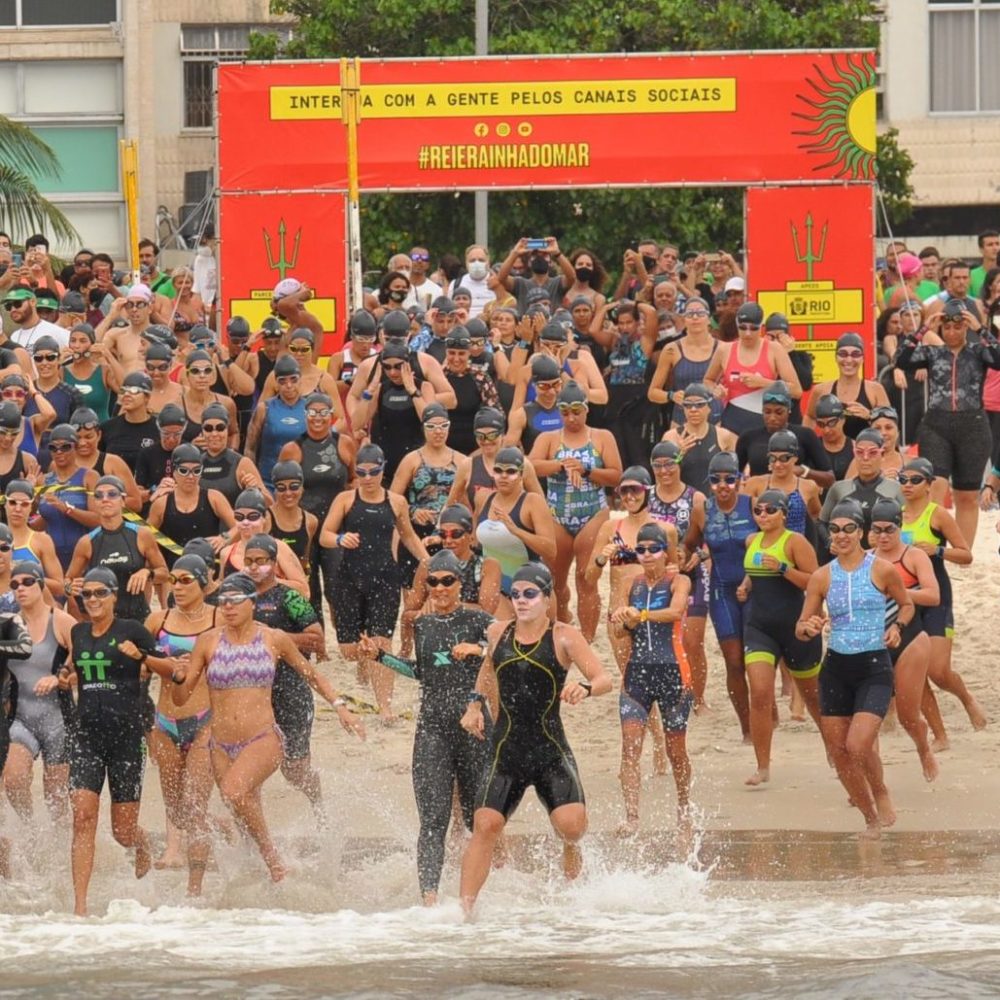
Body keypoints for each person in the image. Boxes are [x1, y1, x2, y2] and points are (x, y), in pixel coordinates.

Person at [171, 573, 364, 883]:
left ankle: (274, 861)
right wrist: (178, 678)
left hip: (262, 738)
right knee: (243, 810)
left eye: (236, 601)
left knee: (235, 793)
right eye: (224, 601)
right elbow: (181, 700)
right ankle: (257, 887)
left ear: (252, 602)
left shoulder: (273, 638)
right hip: (220, 745)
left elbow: (311, 675)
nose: (229, 607)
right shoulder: (208, 641)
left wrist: (341, 707)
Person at [458, 563, 612, 915]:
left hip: (549, 751)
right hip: (506, 749)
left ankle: (570, 855)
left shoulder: (564, 636)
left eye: (530, 594)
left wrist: (585, 688)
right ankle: (463, 913)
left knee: (572, 829)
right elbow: (487, 670)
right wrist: (474, 705)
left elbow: (604, 679)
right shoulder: (498, 631)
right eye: (516, 594)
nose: (522, 601)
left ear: (546, 598)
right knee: (486, 824)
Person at [360, 550, 494, 904]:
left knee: (477, 819)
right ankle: (430, 902)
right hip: (433, 727)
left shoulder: (478, 618)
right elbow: (421, 672)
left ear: (460, 584)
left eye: (447, 581)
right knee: (433, 820)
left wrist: (479, 649)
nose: (439, 587)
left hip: (474, 728)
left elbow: (507, 649)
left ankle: (481, 895)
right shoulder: (422, 624)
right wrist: (381, 658)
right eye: (432, 582)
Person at [796, 500, 914, 838]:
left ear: (862, 532)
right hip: (835, 668)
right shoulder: (822, 576)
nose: (842, 535)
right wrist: (809, 628)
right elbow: (801, 625)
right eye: (835, 529)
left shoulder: (881, 569)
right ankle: (869, 818)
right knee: (839, 752)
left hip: (874, 665)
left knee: (859, 744)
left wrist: (898, 628)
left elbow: (905, 605)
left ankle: (881, 792)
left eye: (849, 528)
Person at [58, 566, 168, 915]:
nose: (91, 600)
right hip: (87, 737)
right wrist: (65, 677)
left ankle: (142, 844)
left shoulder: (133, 630)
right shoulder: (77, 633)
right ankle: (80, 907)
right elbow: (77, 669)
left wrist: (142, 657)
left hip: (126, 738)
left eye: (99, 593)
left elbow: (171, 670)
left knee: (122, 832)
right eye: (85, 595)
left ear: (114, 596)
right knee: (83, 817)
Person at [320, 443, 430, 720]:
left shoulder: (396, 502)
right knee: (349, 650)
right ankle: (363, 661)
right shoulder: (346, 499)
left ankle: (385, 706)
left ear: (383, 470)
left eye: (373, 472)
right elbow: (324, 535)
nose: (367, 478)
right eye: (361, 472)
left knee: (381, 644)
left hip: (384, 578)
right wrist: (340, 539)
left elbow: (407, 536)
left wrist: (428, 561)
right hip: (350, 579)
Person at [141, 554, 220, 891]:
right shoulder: (157, 620)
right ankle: (223, 828)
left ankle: (195, 889)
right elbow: (139, 668)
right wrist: (165, 664)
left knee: (195, 804)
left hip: (206, 720)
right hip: (165, 721)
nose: (178, 586)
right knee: (176, 810)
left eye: (187, 580)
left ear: (204, 583)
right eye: (173, 579)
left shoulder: (220, 618)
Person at [895, 296, 1000, 545]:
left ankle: (962, 552)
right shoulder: (933, 353)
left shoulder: (978, 352)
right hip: (936, 426)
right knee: (934, 488)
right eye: (948, 327)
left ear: (965, 326)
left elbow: (998, 357)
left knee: (966, 495)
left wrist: (980, 328)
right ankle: (930, 545)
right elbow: (901, 359)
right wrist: (924, 329)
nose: (952, 332)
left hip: (972, 426)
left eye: (958, 326)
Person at [610, 522, 693, 836]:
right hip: (638, 675)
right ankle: (632, 817)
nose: (646, 555)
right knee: (630, 748)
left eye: (652, 549)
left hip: (673, 673)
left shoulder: (678, 580)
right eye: (640, 549)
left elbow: (675, 613)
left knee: (676, 752)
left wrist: (639, 616)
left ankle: (684, 807)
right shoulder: (633, 584)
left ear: (664, 552)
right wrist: (621, 621)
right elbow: (621, 632)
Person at [242, 533, 328, 824]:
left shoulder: (289, 597)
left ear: (274, 563)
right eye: (249, 562)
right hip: (252, 693)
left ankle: (318, 803)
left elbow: (317, 639)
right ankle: (253, 834)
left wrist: (274, 639)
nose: (254, 568)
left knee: (294, 770)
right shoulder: (239, 599)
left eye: (261, 562)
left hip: (290, 690)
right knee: (248, 771)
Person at [739, 488, 822, 786]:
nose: (763, 516)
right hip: (760, 627)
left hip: (795, 627)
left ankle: (834, 751)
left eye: (770, 510)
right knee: (760, 694)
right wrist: (747, 584)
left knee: (814, 699)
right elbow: (755, 569)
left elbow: (815, 581)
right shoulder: (752, 540)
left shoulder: (795, 542)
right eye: (758, 511)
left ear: (784, 514)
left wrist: (784, 568)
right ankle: (763, 767)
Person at [528, 381, 622, 640]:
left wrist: (587, 470)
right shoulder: (549, 438)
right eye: (566, 412)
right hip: (557, 514)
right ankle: (560, 627)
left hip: (593, 512)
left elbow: (616, 476)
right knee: (555, 580)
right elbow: (531, 465)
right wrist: (561, 465)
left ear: (586, 410)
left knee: (586, 578)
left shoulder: (602, 437)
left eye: (576, 412)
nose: (571, 418)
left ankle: (588, 637)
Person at [899, 456, 985, 737]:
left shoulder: (937, 514)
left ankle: (967, 699)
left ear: (929, 485)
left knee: (938, 670)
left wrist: (937, 551)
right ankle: (939, 734)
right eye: (903, 480)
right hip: (906, 599)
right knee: (915, 674)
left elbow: (966, 555)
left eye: (915, 480)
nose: (908, 485)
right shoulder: (894, 515)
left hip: (936, 596)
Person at [868, 497, 941, 782]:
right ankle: (870, 779)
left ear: (899, 527)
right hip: (874, 639)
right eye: (877, 530)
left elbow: (933, 595)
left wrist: (898, 593)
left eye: (889, 530)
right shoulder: (866, 558)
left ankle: (923, 749)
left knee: (908, 716)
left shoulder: (913, 556)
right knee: (868, 716)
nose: (883, 536)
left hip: (910, 636)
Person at [2, 561, 74, 822]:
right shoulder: (9, 625)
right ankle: (29, 826)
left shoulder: (61, 620)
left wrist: (59, 677)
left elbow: (82, 656)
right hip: (20, 718)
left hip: (58, 719)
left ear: (41, 584)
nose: (21, 588)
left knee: (57, 798)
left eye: (27, 582)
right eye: (14, 585)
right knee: (13, 779)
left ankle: (60, 847)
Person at [66, 475, 169, 623]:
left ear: (122, 500)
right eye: (99, 495)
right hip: (103, 623)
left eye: (112, 494)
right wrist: (70, 588)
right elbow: (67, 581)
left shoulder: (142, 535)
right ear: (95, 502)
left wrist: (147, 573)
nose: (105, 499)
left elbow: (165, 574)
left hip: (138, 620)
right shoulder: (87, 542)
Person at [473, 446, 558, 618]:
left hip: (531, 583)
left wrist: (516, 530)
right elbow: (474, 541)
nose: (503, 476)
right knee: (499, 636)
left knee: (539, 639)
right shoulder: (483, 497)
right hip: (494, 584)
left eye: (510, 471)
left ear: (521, 474)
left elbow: (551, 551)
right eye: (498, 470)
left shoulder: (533, 503)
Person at [390, 402, 459, 596]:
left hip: (450, 535)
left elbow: (467, 503)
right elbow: (392, 500)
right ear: (423, 428)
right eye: (431, 426)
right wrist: (412, 511)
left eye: (443, 425)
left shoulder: (461, 461)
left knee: (449, 596)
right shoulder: (412, 460)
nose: (438, 431)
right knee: (414, 599)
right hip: (415, 534)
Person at [704, 302, 803, 435]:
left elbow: (796, 391)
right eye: (743, 328)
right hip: (732, 422)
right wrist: (716, 390)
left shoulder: (774, 349)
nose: (748, 333)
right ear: (736, 325)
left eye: (753, 328)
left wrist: (764, 383)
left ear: (761, 327)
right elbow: (708, 380)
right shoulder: (724, 350)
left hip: (765, 424)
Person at [735, 381, 833, 489]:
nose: (772, 418)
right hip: (760, 500)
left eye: (779, 412)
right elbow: (734, 476)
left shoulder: (805, 435)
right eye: (767, 412)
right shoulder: (748, 438)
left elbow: (829, 479)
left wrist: (803, 471)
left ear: (789, 410)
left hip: (794, 499)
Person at [147, 443, 235, 563]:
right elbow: (145, 538)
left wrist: (224, 538)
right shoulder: (161, 504)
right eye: (184, 471)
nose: (191, 476)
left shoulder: (214, 498)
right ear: (174, 472)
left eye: (196, 471)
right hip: (174, 572)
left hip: (208, 570)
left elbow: (239, 526)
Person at [647, 298, 723, 427]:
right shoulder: (671, 349)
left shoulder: (722, 348)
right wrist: (671, 396)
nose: (695, 317)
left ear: (709, 319)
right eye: (689, 314)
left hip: (717, 421)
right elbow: (653, 392)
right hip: (682, 421)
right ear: (683, 320)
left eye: (700, 313)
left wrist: (723, 391)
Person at [33, 423, 100, 569]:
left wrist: (67, 509)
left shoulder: (89, 477)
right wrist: (26, 494)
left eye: (65, 447)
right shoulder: (43, 480)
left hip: (83, 554)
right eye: (53, 448)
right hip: (51, 555)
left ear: (75, 448)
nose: (59, 452)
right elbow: (44, 520)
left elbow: (97, 519)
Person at [219, 488, 308, 596]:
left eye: (253, 517)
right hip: (243, 612)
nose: (245, 522)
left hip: (273, 611)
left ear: (264, 518)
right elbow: (221, 592)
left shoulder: (278, 548)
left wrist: (270, 581)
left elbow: (304, 591)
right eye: (239, 517)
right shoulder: (226, 553)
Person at [820, 429, 904, 544]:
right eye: (859, 452)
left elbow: (909, 526)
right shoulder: (839, 488)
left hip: (884, 557)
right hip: (848, 557)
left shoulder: (895, 489)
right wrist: (831, 543)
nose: (865, 458)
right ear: (854, 454)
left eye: (872, 452)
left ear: (882, 454)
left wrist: (886, 540)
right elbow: (821, 523)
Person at [805, 332, 891, 439]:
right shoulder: (821, 390)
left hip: (865, 453)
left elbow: (889, 425)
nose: (849, 360)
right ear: (835, 357)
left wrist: (870, 416)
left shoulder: (875, 390)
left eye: (855, 354)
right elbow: (810, 417)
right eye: (843, 354)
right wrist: (807, 445)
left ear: (863, 358)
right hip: (830, 453)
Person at [660, 383, 737, 494]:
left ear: (709, 408)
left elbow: (733, 475)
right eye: (688, 405)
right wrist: (678, 455)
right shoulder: (671, 437)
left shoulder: (724, 436)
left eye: (700, 404)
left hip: (714, 502)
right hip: (683, 502)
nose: (693, 409)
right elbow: (663, 477)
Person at [246, 355, 308, 489]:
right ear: (275, 383)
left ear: (301, 380)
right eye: (282, 381)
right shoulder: (264, 408)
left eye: (293, 379)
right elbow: (250, 447)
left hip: (302, 483)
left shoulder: (310, 408)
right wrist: (254, 480)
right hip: (268, 482)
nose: (289, 385)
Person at [199, 401, 267, 506]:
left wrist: (256, 490)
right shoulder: (196, 463)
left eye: (220, 428)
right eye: (208, 429)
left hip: (233, 521)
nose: (214, 433)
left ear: (227, 430)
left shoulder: (241, 463)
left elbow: (270, 505)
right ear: (202, 431)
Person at [5, 478, 64, 596]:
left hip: (31, 609)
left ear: (31, 507)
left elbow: (60, 587)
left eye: (24, 504)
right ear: (5, 505)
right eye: (12, 502)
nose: (17, 509)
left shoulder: (42, 541)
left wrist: (29, 575)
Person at [100, 370, 159, 469]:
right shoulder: (108, 428)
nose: (127, 394)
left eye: (134, 391)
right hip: (114, 483)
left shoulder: (158, 428)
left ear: (147, 397)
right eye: (123, 390)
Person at [812, 394, 855, 484]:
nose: (826, 430)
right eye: (821, 424)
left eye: (831, 423)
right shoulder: (812, 449)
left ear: (843, 419)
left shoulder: (856, 447)